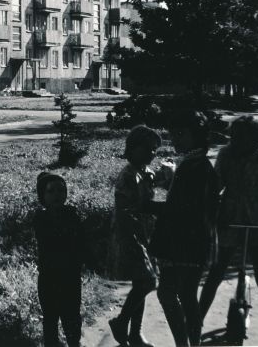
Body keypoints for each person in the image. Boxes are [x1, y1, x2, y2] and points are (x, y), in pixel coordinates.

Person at [198, 115, 258, 346]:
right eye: (234, 138)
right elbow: (215, 184)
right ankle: (195, 322)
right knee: (217, 272)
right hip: (229, 218)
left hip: (257, 220)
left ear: (256, 140)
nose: (237, 143)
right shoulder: (226, 155)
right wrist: (208, 209)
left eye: (242, 139)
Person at [147, 110, 221, 346]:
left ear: (197, 136)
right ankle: (186, 343)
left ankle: (189, 343)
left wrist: (149, 206)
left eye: (181, 134)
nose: (175, 139)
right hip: (184, 239)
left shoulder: (197, 166)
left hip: (188, 240)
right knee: (174, 294)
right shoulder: (193, 162)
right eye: (173, 134)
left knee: (180, 295)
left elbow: (184, 208)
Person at [108, 125, 173, 347]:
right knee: (148, 281)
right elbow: (139, 207)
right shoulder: (128, 176)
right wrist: (166, 208)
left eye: (154, 150)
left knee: (141, 283)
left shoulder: (145, 173)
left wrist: (170, 176)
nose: (151, 153)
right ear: (133, 149)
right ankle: (121, 321)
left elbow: (159, 183)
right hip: (129, 234)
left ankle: (135, 333)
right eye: (147, 148)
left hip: (143, 234)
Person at [34, 172, 84, 347]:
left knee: (72, 316)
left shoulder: (72, 214)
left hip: (71, 276)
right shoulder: (40, 218)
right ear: (43, 196)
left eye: (61, 190)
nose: (57, 195)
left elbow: (81, 242)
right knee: (50, 318)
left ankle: (74, 343)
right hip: (49, 277)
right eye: (51, 191)